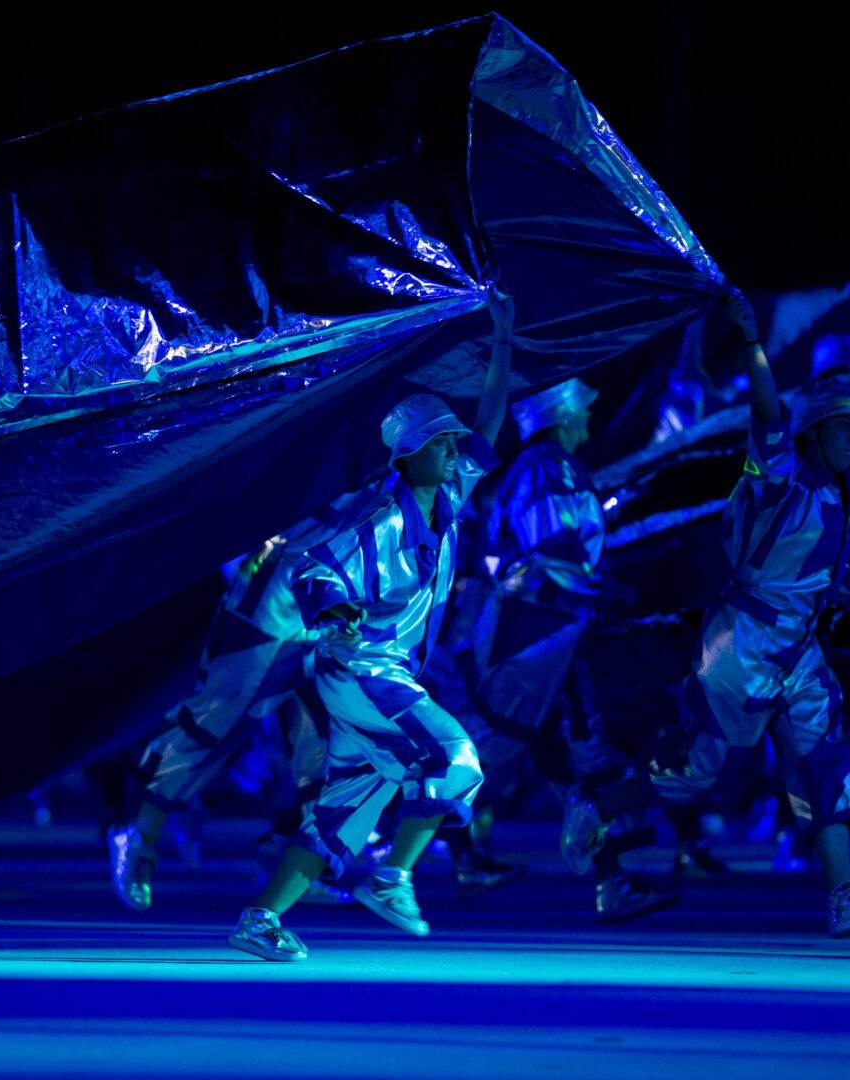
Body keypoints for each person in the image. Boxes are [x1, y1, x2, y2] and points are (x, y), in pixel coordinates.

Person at [564, 289, 850, 938]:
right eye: (841, 424)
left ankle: (844, 895)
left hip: (800, 650)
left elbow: (837, 579)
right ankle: (601, 802)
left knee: (825, 758)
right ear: (813, 432)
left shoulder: (843, 499)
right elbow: (766, 416)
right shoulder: (779, 477)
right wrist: (755, 346)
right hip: (741, 643)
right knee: (696, 771)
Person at [229, 289, 512, 962]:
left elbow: (492, 424)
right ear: (408, 453)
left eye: (451, 442)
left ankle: (260, 920)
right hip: (359, 669)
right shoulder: (377, 518)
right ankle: (393, 877)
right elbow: (313, 568)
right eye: (440, 443)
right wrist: (334, 610)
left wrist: (502, 344)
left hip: (381, 674)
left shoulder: (446, 498)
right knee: (455, 757)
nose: (452, 450)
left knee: (343, 811)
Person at [464, 376, 687, 921]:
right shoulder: (548, 469)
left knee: (554, 754)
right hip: (549, 635)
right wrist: (610, 589)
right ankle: (362, 846)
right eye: (582, 410)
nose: (589, 418)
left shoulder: (540, 468)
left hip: (543, 632)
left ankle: (609, 876)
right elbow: (556, 553)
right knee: (583, 744)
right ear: (560, 417)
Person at [107, 533, 342, 912]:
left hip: (346, 576)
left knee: (330, 725)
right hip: (279, 577)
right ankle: (139, 830)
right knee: (222, 708)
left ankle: (297, 852)